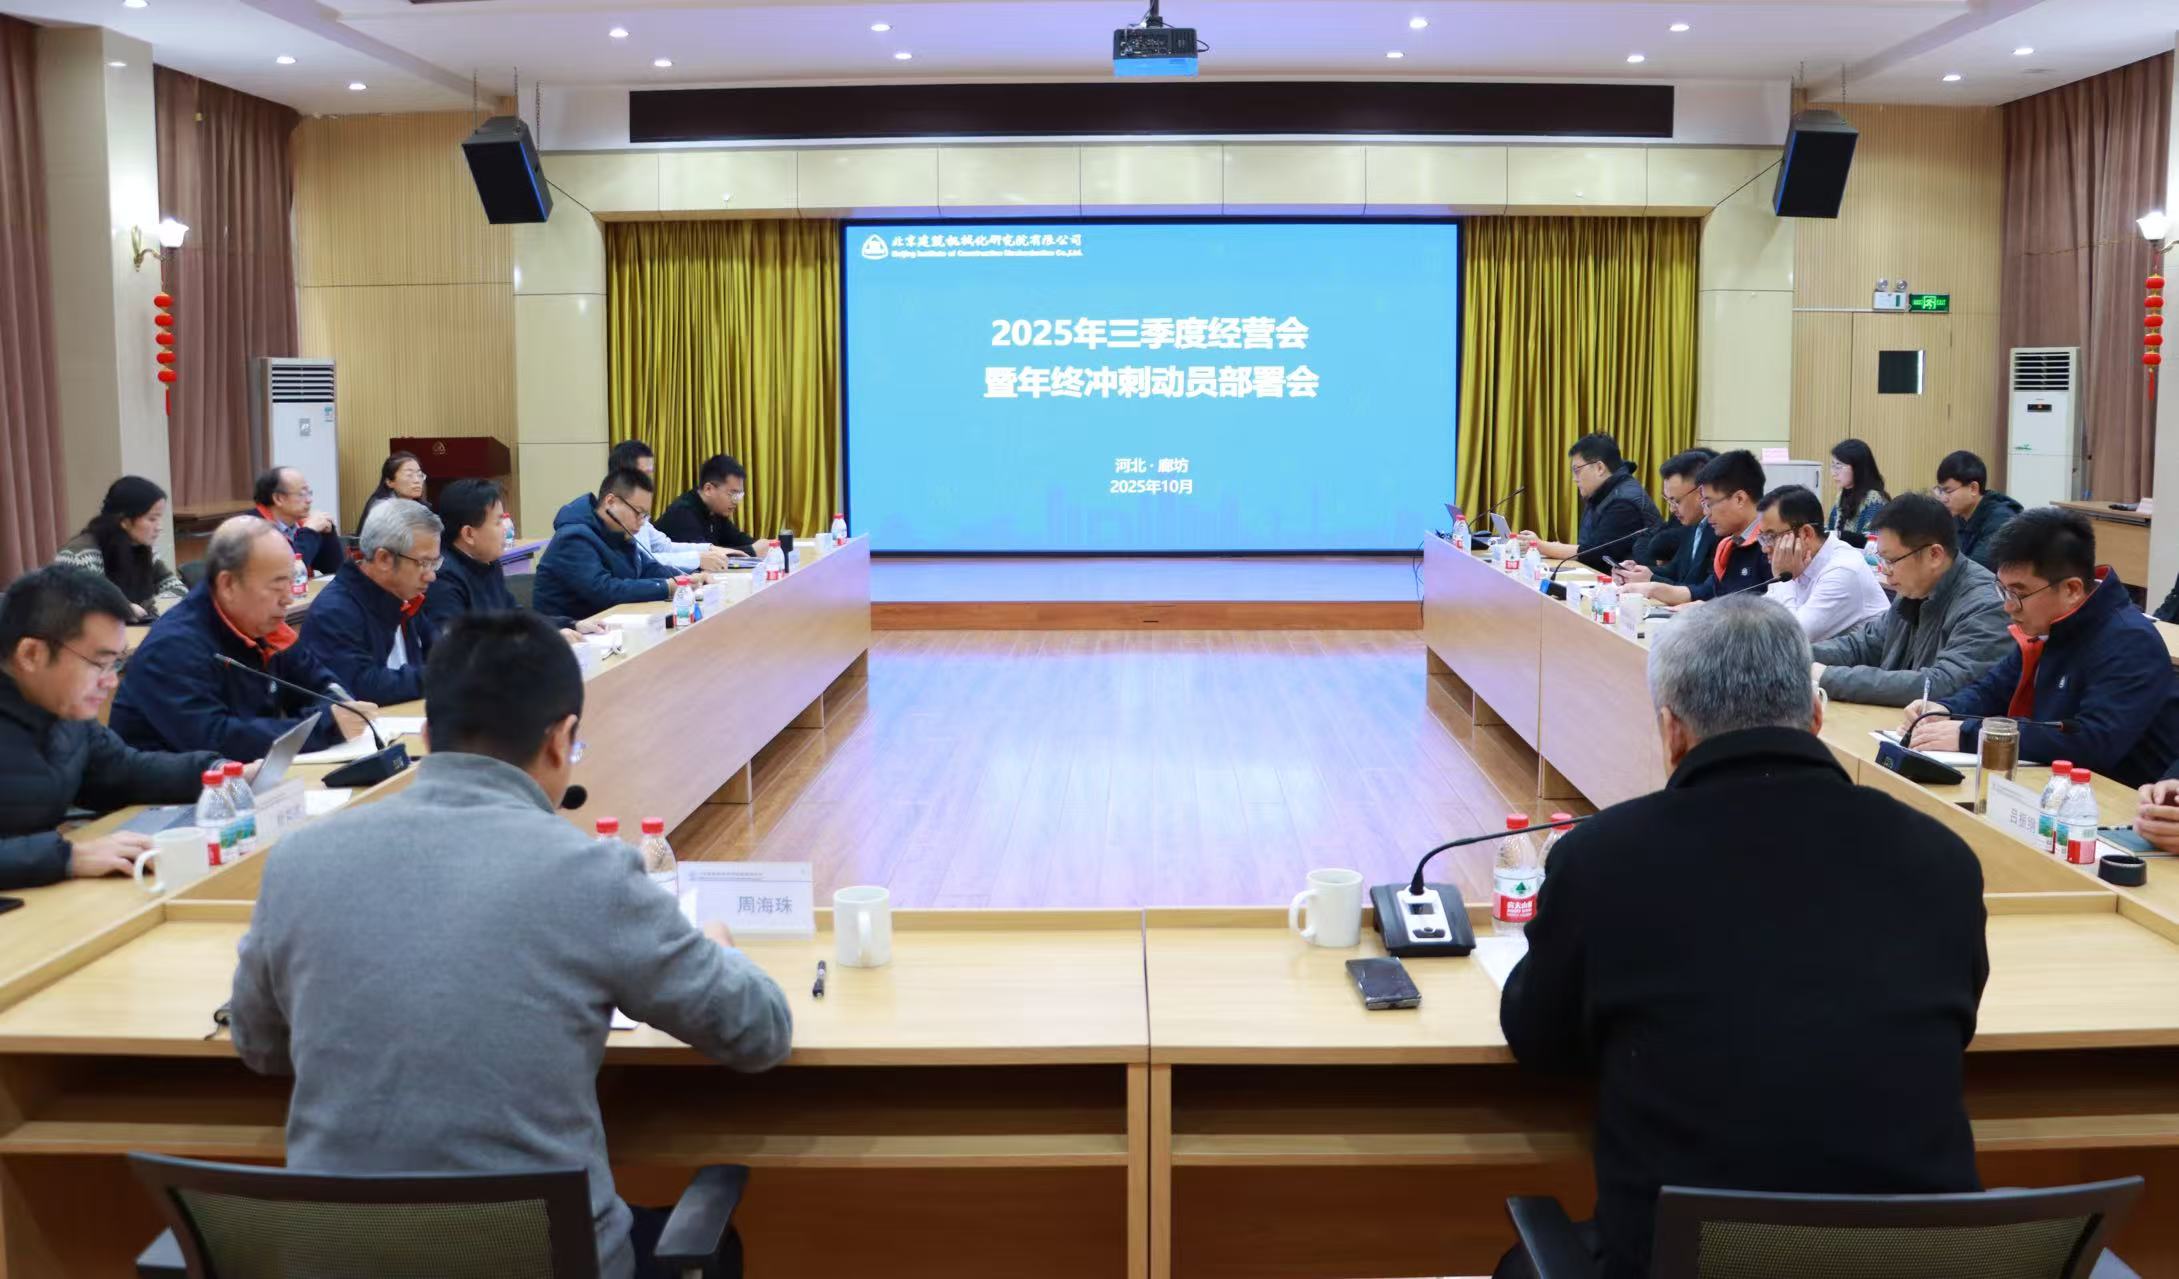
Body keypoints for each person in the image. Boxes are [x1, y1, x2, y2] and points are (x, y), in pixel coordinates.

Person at [228, 609, 793, 1279]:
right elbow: (759, 1032)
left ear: (429, 734)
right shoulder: (591, 874)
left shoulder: (299, 861)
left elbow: (260, 1046)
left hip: (341, 1260)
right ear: (560, 739)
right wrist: (719, 950)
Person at [1496, 594, 1985, 1279]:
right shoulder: (1944, 858)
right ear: (1816, 715)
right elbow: (1952, 1023)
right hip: (1919, 1264)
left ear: (1670, 731)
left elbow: (1540, 1042)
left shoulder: (1604, 857)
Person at [0, 567, 241, 889]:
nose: (111, 681)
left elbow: (121, 772)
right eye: (99, 663)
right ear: (31, 654)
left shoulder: (64, 708)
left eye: (116, 662)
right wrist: (67, 857)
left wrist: (217, 772)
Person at [1903, 507, 2179, 787]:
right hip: (2053, 784)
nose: (2008, 606)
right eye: (2003, 590)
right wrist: (1944, 709)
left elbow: (2092, 742)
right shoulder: (2051, 624)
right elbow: (1994, 689)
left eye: (2018, 594)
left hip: (2119, 800)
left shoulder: (2130, 641)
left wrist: (1972, 735)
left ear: (2071, 590)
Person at [110, 517, 377, 760]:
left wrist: (337, 711)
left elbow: (323, 687)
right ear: (228, 585)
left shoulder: (265, 627)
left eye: (291, 582)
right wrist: (324, 726)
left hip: (249, 781)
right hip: (168, 793)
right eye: (277, 585)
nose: (288, 598)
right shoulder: (172, 647)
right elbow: (215, 740)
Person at [1810, 493, 2014, 707]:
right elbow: (1863, 646)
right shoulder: (1914, 590)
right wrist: (1797, 656)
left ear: (1934, 555)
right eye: (1881, 559)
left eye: (1891, 560)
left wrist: (1825, 676)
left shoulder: (1986, 604)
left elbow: (1940, 684)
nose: (1884, 570)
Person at [296, 499, 440, 706]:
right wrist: (442, 676)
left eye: (435, 563)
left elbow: (439, 653)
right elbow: (361, 688)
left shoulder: (405, 594)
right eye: (424, 563)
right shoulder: (334, 611)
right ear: (384, 559)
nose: (431, 576)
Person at [425, 479, 605, 639]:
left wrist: (570, 625)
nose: (506, 528)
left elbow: (514, 615)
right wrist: (542, 640)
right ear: (469, 534)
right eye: (498, 522)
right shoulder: (443, 578)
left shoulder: (487, 561)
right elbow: (459, 646)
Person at [534, 468, 689, 621]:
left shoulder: (617, 532)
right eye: (638, 512)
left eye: (645, 515)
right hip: (568, 631)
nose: (641, 522)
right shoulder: (573, 538)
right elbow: (604, 591)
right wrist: (666, 587)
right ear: (610, 502)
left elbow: (647, 567)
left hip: (606, 625)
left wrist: (686, 580)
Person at [1621, 450, 1769, 606]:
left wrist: (1707, 608)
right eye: (1704, 504)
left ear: (1739, 499)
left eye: (1709, 504)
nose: (1706, 512)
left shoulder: (1770, 547)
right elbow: (1707, 592)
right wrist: (1651, 587)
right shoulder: (1729, 544)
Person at [1755, 485, 1888, 643]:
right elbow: (1762, 619)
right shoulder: (1800, 561)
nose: (1765, 548)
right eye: (1762, 538)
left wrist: (1784, 579)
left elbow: (1791, 639)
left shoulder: (1843, 570)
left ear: (1806, 534)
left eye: (1771, 537)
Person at [1519, 434, 1662, 574]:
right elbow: (1589, 548)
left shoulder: (1624, 502)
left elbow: (1596, 553)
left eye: (1577, 470)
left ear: (1600, 468)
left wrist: (1541, 546)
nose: (1574, 479)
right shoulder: (1602, 493)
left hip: (1629, 584)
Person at [54, 475, 186, 620]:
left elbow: (179, 591)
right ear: (125, 521)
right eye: (152, 519)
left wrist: (148, 608)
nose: (159, 527)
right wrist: (125, 608)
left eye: (160, 518)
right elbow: (88, 607)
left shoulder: (142, 549)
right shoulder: (79, 554)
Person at [595, 440, 734, 574]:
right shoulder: (612, 513)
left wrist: (709, 549)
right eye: (644, 475)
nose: (649, 482)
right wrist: (697, 559)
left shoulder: (636, 509)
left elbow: (663, 546)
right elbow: (640, 561)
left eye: (650, 474)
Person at [1620, 448, 1715, 586]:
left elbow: (1703, 591)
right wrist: (1638, 571)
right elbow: (1675, 570)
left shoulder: (1720, 530)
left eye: (1676, 501)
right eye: (1668, 501)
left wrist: (1651, 579)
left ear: (1701, 492)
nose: (1672, 509)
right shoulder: (1695, 524)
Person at [654, 454, 760, 557]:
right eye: (732, 494)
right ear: (708, 489)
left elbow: (737, 539)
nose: (736, 501)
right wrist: (752, 551)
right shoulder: (682, 513)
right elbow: (706, 556)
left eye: (739, 495)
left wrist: (761, 546)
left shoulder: (716, 510)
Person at [1934, 450, 2023, 570]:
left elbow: (1975, 570)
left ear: (1973, 488)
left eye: (1948, 491)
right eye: (1940, 491)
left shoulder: (2001, 519)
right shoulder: (1957, 515)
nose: (1943, 498)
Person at [252, 466, 345, 578]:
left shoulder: (299, 523)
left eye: (309, 493)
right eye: (301, 494)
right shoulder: (255, 528)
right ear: (278, 499)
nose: (309, 500)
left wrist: (328, 535)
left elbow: (335, 569)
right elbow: (288, 574)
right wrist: (309, 532)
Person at [1824, 438, 1890, 540]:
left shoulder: (1874, 499)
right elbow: (1831, 531)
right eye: (1833, 465)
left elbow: (1874, 540)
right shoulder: (1841, 496)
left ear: (1857, 467)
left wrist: (1840, 535)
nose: (1834, 473)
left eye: (1838, 466)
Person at [355, 451, 427, 535]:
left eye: (419, 475)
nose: (417, 480)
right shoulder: (380, 510)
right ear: (389, 482)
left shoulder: (422, 508)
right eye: (409, 475)